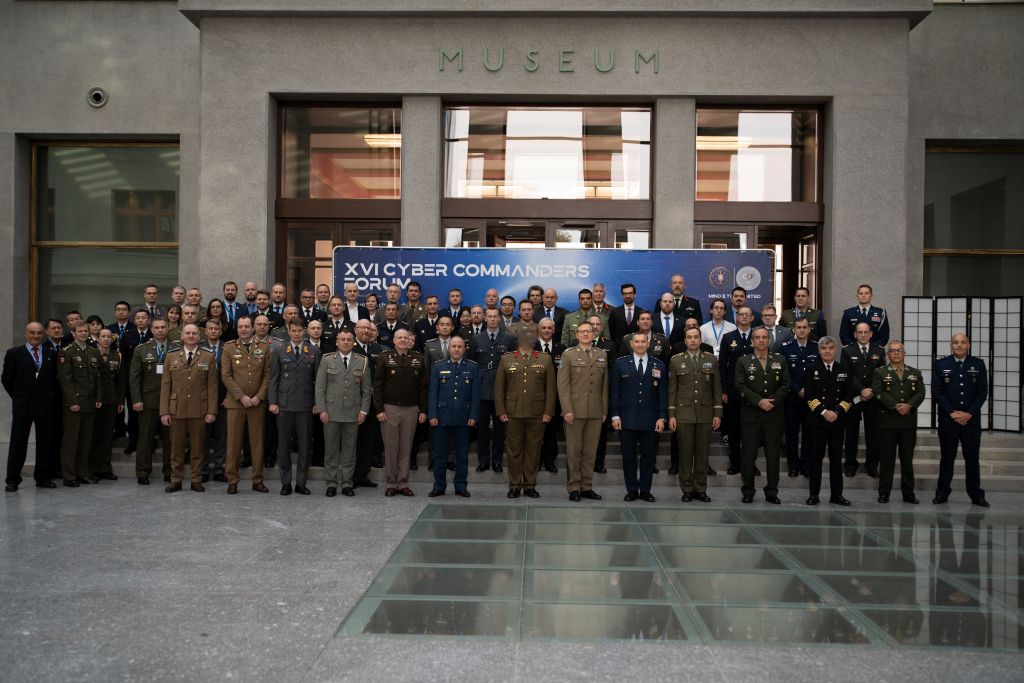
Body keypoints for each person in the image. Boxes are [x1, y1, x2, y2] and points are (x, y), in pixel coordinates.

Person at [495, 330, 555, 499]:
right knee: (514, 451)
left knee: (533, 451)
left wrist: (548, 411)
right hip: (513, 413)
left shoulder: (545, 358)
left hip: (537, 413)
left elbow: (550, 389)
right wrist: (501, 411)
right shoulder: (506, 358)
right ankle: (514, 485)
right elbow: (499, 388)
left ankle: (529, 485)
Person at [159, 323, 218, 492]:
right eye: (188, 333)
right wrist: (164, 411)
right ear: (181, 336)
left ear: (200, 337)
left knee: (197, 448)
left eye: (194, 333)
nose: (191, 336)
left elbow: (212, 386)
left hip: (199, 409)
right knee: (176, 448)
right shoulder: (171, 356)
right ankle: (176, 479)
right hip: (176, 409)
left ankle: (196, 479)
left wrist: (212, 411)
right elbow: (165, 385)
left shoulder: (208, 356)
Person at [932, 333, 989, 507]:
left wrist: (968, 414)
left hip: (970, 422)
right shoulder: (941, 364)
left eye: (962, 342)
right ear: (951, 345)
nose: (959, 345)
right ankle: (942, 492)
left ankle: (975, 494)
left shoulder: (978, 364)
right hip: (948, 421)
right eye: (955, 342)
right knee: (947, 457)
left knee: (972, 458)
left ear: (968, 345)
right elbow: (937, 391)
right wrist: (951, 413)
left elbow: (982, 393)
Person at [3, 322, 61, 491]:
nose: (36, 336)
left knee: (45, 443)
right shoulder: (14, 353)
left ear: (44, 334)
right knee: (18, 444)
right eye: (32, 333)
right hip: (23, 406)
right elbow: (7, 379)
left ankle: (42, 477)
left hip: (45, 406)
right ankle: (12, 479)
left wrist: (50, 397)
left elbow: (55, 380)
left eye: (39, 333)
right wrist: (18, 396)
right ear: (26, 334)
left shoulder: (51, 353)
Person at [735, 327, 790, 504]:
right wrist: (759, 401)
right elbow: (740, 386)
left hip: (773, 416)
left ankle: (772, 491)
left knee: (773, 456)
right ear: (752, 341)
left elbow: (786, 384)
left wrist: (772, 402)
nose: (760, 340)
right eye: (757, 337)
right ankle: (748, 491)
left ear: (769, 340)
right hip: (751, 416)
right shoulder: (743, 361)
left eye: (764, 337)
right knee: (749, 455)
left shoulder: (780, 360)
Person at [612, 333, 668, 503]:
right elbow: (615, 391)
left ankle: (645, 490)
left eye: (643, 341)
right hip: (626, 418)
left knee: (648, 457)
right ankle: (631, 490)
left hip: (650, 419)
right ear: (631, 343)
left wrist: (662, 417)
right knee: (628, 457)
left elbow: (663, 393)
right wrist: (615, 415)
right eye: (637, 341)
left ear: (648, 343)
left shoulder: (658, 364)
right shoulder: (620, 363)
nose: (640, 344)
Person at [668, 327, 722, 503]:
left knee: (702, 453)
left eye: (696, 337)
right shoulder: (676, 361)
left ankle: (701, 488)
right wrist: (672, 415)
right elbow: (672, 390)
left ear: (700, 340)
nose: (692, 340)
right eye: (689, 337)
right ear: (685, 341)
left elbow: (716, 388)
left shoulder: (711, 360)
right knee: (685, 453)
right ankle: (687, 489)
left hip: (705, 413)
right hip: (683, 413)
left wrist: (717, 413)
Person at [316, 329, 372, 497]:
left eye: (349, 339)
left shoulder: (362, 361)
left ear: (354, 342)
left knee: (349, 450)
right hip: (331, 412)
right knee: (331, 450)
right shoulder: (327, 360)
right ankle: (331, 483)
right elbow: (320, 388)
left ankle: (347, 483)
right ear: (337, 342)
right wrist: (322, 409)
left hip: (353, 413)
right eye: (343, 339)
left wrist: (363, 410)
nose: (346, 342)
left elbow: (367, 390)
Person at [557, 321, 608, 502]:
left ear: (594, 334)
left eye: (589, 331)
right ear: (576, 335)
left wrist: (604, 409)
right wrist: (567, 410)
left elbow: (604, 386)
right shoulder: (568, 355)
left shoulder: (601, 354)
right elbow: (562, 386)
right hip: (575, 411)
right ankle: (574, 487)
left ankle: (587, 486)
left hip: (595, 411)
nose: (586, 334)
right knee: (574, 451)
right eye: (582, 331)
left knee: (590, 452)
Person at [802, 336, 857, 506]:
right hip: (817, 421)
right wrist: (824, 412)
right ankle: (814, 495)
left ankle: (836, 495)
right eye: (824, 348)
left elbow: (849, 396)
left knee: (836, 461)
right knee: (815, 460)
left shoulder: (843, 370)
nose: (827, 351)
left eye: (830, 348)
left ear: (835, 350)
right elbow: (809, 395)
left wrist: (837, 412)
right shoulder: (811, 369)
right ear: (819, 350)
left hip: (837, 422)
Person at [268, 320, 320, 496]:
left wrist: (316, 402)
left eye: (300, 331)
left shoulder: (313, 351)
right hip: (284, 404)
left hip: (305, 405)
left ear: (304, 332)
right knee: (283, 446)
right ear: (288, 332)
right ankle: (286, 482)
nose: (297, 334)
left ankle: (301, 483)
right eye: (294, 331)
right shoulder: (279, 351)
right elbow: (273, 378)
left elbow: (317, 381)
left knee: (305, 446)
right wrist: (273, 402)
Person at [374, 329, 428, 497]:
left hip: (411, 408)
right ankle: (391, 483)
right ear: (394, 340)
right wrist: (379, 409)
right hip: (390, 408)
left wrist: (423, 409)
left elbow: (423, 387)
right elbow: (378, 385)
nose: (403, 340)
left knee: (406, 447)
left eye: (406, 337)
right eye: (400, 338)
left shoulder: (418, 358)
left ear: (410, 340)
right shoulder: (384, 357)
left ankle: (403, 482)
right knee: (391, 447)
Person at [221, 316, 271, 494]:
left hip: (257, 404)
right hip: (236, 403)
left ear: (253, 328)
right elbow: (226, 376)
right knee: (233, 443)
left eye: (246, 326)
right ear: (237, 328)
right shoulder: (228, 347)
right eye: (240, 326)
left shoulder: (264, 348)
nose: (243, 329)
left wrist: (259, 396)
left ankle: (257, 480)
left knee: (257, 444)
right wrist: (241, 396)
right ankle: (232, 479)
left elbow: (267, 375)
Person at [872, 340, 925, 504]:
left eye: (899, 350)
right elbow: (878, 393)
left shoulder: (915, 373)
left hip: (907, 423)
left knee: (907, 460)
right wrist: (896, 406)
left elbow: (921, 393)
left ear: (904, 353)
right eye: (892, 351)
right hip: (887, 423)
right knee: (887, 461)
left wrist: (909, 405)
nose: (896, 353)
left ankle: (908, 493)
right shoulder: (879, 372)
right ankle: (884, 493)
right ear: (887, 355)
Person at [427, 335, 480, 497]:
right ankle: (439, 485)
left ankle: (461, 486)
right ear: (449, 348)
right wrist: (432, 414)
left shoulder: (472, 367)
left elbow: (475, 395)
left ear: (464, 349)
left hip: (464, 417)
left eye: (460, 347)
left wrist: (474, 416)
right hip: (442, 417)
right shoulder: (438, 366)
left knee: (462, 455)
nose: (456, 349)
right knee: (440, 454)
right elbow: (433, 393)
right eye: (454, 346)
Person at [57, 322, 102, 486]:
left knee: (85, 440)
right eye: (80, 331)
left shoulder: (92, 352)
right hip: (75, 403)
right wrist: (72, 402)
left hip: (90, 402)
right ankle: (69, 475)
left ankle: (82, 473)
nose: (83, 334)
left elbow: (97, 378)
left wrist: (99, 398)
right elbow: (65, 381)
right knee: (71, 441)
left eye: (85, 331)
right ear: (73, 333)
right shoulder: (67, 352)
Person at [472, 309, 515, 473]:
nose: (492, 319)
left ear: (499, 318)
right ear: (484, 318)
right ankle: (483, 461)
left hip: (501, 390)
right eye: (489, 316)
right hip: (481, 389)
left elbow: (512, 365)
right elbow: (473, 364)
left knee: (499, 429)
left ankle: (497, 461)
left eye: (495, 316)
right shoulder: (476, 338)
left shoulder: (509, 338)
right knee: (482, 428)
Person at [129, 317, 171, 485]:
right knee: (145, 438)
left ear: (167, 328)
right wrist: (137, 400)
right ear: (151, 330)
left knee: (170, 440)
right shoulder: (141, 350)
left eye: (163, 327)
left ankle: (169, 471)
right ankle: (142, 472)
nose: (160, 330)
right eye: (157, 328)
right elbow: (134, 378)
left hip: (170, 402)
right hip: (148, 401)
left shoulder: (176, 348)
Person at [841, 322, 886, 478]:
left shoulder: (879, 351)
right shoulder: (847, 350)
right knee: (851, 433)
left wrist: (871, 390)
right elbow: (847, 374)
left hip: (873, 398)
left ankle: (872, 465)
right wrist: (861, 390)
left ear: (871, 334)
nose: (863, 335)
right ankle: (850, 465)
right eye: (859, 332)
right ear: (855, 334)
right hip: (854, 398)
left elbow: (882, 374)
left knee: (873, 434)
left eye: (866, 332)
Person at [780, 318, 819, 478]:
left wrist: (808, 391)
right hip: (792, 398)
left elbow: (819, 371)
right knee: (792, 434)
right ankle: (793, 465)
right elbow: (784, 374)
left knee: (809, 434)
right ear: (793, 330)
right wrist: (797, 390)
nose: (802, 330)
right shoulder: (786, 348)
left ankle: (807, 465)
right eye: (799, 327)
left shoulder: (816, 347)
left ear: (809, 329)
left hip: (811, 398)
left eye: (805, 327)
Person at [718, 306, 755, 475]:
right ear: (737, 318)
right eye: (741, 314)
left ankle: (750, 464)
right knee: (733, 430)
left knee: (751, 431)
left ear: (752, 318)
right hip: (732, 392)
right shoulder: (728, 338)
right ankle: (735, 463)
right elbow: (722, 367)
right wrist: (723, 391)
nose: (744, 317)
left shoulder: (759, 337)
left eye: (747, 314)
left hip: (754, 392)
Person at [89, 328, 125, 481]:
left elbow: (121, 380)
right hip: (95, 400)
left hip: (111, 400)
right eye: (102, 336)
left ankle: (105, 468)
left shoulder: (117, 356)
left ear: (112, 339)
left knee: (107, 435)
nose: (105, 339)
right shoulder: (91, 354)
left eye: (108, 337)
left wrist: (120, 400)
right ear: (98, 339)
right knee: (94, 435)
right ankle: (93, 469)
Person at [352, 319, 386, 482]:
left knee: (368, 438)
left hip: (372, 401)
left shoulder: (377, 349)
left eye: (369, 328)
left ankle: (363, 474)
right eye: (363, 328)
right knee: (352, 440)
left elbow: (381, 373)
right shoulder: (349, 347)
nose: (366, 331)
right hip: (352, 401)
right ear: (355, 330)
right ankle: (350, 475)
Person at [534, 317, 566, 474]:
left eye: (549, 328)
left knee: (551, 432)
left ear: (553, 330)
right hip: (535, 397)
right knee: (535, 432)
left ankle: (549, 461)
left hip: (555, 398)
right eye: (543, 328)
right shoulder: (531, 347)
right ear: (538, 329)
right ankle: (536, 461)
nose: (546, 330)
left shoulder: (562, 349)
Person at [201, 319, 229, 482]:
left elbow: (234, 375)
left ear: (220, 331)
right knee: (203, 436)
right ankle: (203, 469)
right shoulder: (198, 347)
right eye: (210, 329)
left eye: (215, 329)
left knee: (221, 436)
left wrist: (229, 397)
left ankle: (219, 469)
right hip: (203, 399)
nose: (213, 331)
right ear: (205, 331)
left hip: (223, 399)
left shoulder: (228, 347)